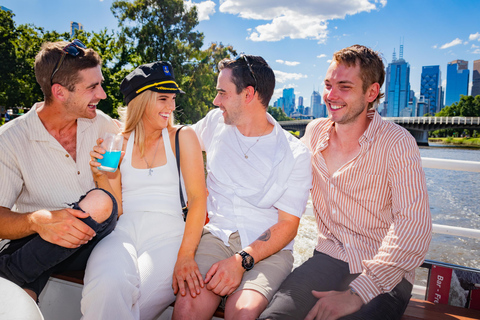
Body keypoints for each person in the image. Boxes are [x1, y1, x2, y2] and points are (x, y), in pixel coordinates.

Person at [259, 44, 433, 320]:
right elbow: (279, 172)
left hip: (384, 272)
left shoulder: (398, 143)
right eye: (328, 85)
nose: (331, 95)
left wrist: (358, 293)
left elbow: (413, 227)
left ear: (371, 93)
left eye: (344, 87)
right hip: (328, 258)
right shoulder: (315, 131)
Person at [172, 55, 312, 320]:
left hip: (268, 251)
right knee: (187, 306)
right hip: (216, 236)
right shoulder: (214, 123)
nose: (216, 101)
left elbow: (288, 226)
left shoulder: (295, 154)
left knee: (243, 312)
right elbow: (175, 141)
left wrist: (241, 261)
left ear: (248, 95)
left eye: (222, 93)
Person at [81, 61, 207, 320]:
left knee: (130, 306)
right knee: (105, 286)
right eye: (163, 99)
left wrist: (186, 255)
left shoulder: (183, 137)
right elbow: (117, 208)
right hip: (122, 233)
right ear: (139, 100)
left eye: (172, 99)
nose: (172, 107)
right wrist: (102, 175)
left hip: (169, 238)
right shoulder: (115, 141)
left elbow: (197, 200)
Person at [0, 40, 119, 302]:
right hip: (38, 244)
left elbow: (142, 134)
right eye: (92, 87)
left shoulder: (103, 125)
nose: (102, 95)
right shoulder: (9, 139)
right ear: (60, 92)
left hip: (94, 240)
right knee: (19, 304)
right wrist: (38, 221)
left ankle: (7, 272)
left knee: (100, 203)